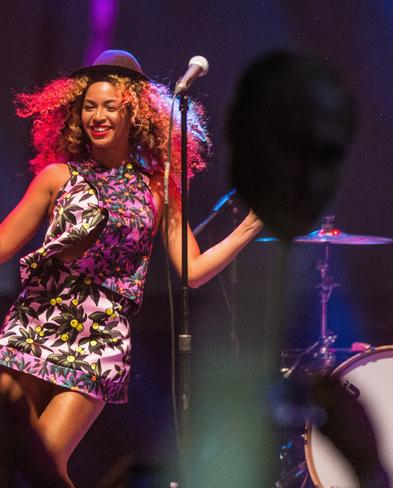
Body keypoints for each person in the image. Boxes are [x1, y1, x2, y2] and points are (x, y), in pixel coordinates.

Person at [0, 50, 262, 486]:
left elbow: (193, 270)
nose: (96, 116)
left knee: (42, 462)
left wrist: (251, 227)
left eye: (109, 106)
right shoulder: (56, 176)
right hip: (33, 324)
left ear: (134, 114)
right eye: (88, 106)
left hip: (97, 338)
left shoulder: (157, 188)